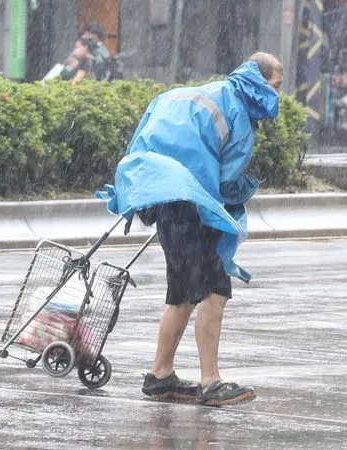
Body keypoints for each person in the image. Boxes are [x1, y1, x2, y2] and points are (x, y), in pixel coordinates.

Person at [96, 52, 283, 406]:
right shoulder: (238, 115)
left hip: (164, 198)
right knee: (214, 290)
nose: (278, 95)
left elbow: (141, 142)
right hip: (190, 204)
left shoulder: (193, 94)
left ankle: (160, 376)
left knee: (182, 293)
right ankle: (210, 382)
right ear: (259, 82)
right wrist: (247, 189)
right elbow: (228, 183)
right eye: (276, 86)